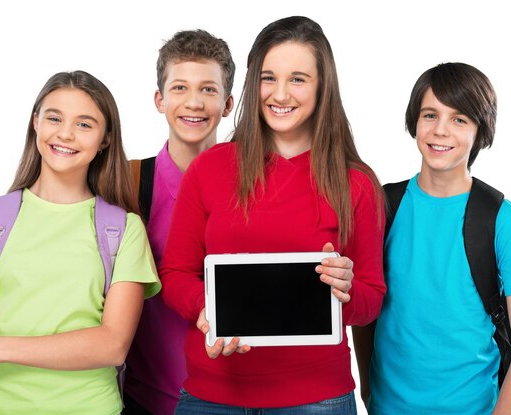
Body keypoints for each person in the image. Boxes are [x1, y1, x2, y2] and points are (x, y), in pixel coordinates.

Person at [159, 16, 386, 414]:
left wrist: (344, 290)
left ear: (322, 87)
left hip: (316, 398)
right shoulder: (210, 168)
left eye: (298, 79)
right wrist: (207, 311)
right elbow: (176, 273)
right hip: (211, 395)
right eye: (268, 78)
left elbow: (371, 299)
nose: (280, 94)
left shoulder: (357, 184)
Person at [0, 70, 161, 415]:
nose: (66, 133)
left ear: (104, 139)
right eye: (54, 118)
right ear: (35, 123)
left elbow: (112, 345)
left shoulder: (125, 230)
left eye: (85, 124)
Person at [353, 62, 511, 414]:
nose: (440, 130)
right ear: (414, 121)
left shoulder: (504, 220)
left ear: (480, 131)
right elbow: (365, 311)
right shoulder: (382, 206)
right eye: (430, 115)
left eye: (459, 119)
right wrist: (369, 394)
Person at [123, 29, 235, 415]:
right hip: (147, 399)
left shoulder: (258, 183)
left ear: (229, 103)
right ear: (159, 99)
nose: (194, 102)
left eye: (208, 89)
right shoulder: (130, 182)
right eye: (180, 88)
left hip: (235, 399)